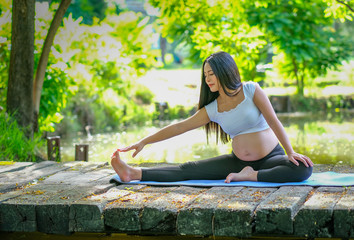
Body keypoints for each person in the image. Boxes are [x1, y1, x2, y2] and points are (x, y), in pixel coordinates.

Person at [111, 51, 313, 183]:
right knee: (188, 169)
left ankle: (252, 176)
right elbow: (180, 127)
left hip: (272, 158)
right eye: (205, 75)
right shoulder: (213, 108)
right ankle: (133, 174)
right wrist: (143, 142)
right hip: (237, 162)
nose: (207, 79)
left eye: (211, 74)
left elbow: (273, 121)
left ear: (224, 71)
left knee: (303, 169)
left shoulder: (251, 90)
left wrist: (290, 152)